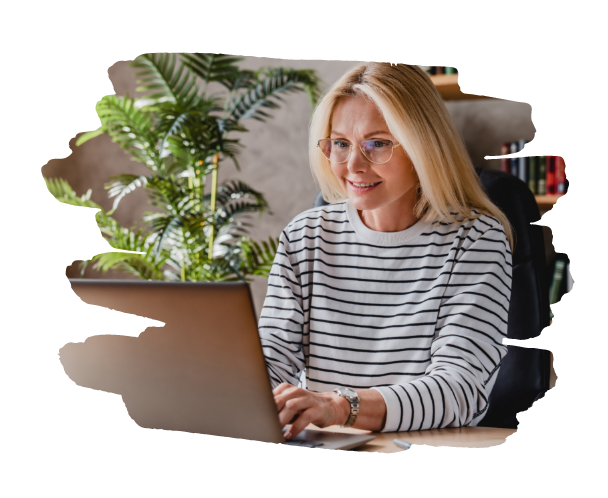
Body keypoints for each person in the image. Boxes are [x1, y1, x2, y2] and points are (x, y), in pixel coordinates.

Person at [257, 62, 515, 440]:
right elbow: (270, 362)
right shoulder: (304, 237)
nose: (353, 166)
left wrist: (339, 406)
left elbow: (458, 389)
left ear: (422, 147)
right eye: (340, 143)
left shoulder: (476, 240)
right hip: (328, 444)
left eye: (377, 143)